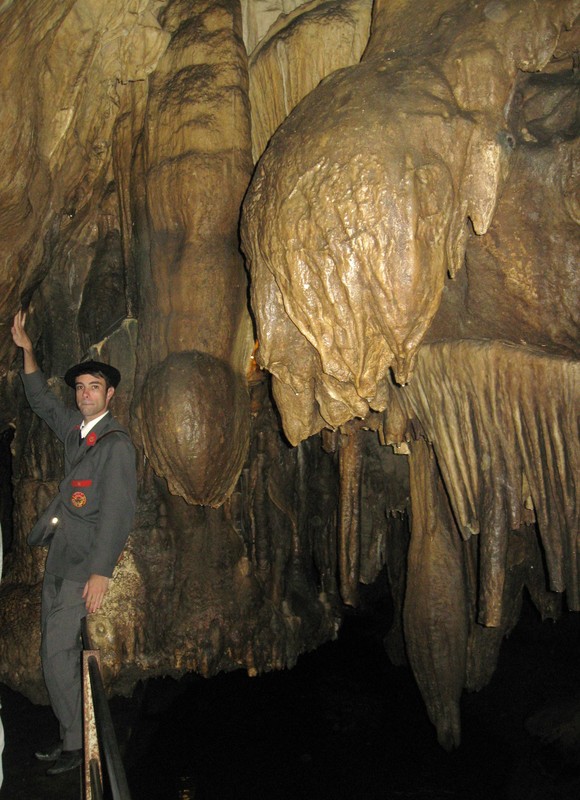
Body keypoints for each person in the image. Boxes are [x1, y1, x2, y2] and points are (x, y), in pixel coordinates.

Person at [11, 310, 137, 776]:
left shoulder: (115, 445)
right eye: (80, 387)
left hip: (82, 567)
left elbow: (119, 513)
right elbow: (41, 400)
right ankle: (69, 735)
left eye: (94, 388)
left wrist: (101, 572)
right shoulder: (78, 432)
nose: (85, 394)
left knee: (57, 655)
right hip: (59, 559)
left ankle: (75, 743)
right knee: (53, 651)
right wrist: (27, 351)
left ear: (110, 395)